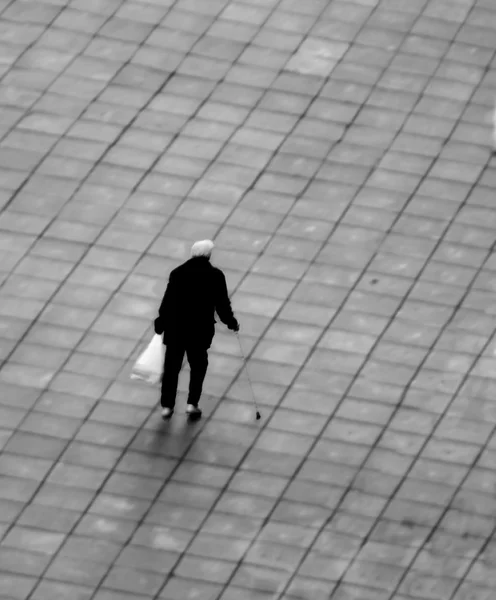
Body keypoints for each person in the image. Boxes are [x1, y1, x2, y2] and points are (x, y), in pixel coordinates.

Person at [154, 240, 239, 420]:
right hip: (200, 331)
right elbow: (222, 304)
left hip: (176, 329)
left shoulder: (177, 273)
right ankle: (192, 404)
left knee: (171, 368)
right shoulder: (215, 276)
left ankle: (167, 406)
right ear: (208, 255)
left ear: (192, 254)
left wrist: (161, 320)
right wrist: (231, 322)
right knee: (198, 367)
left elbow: (168, 300)